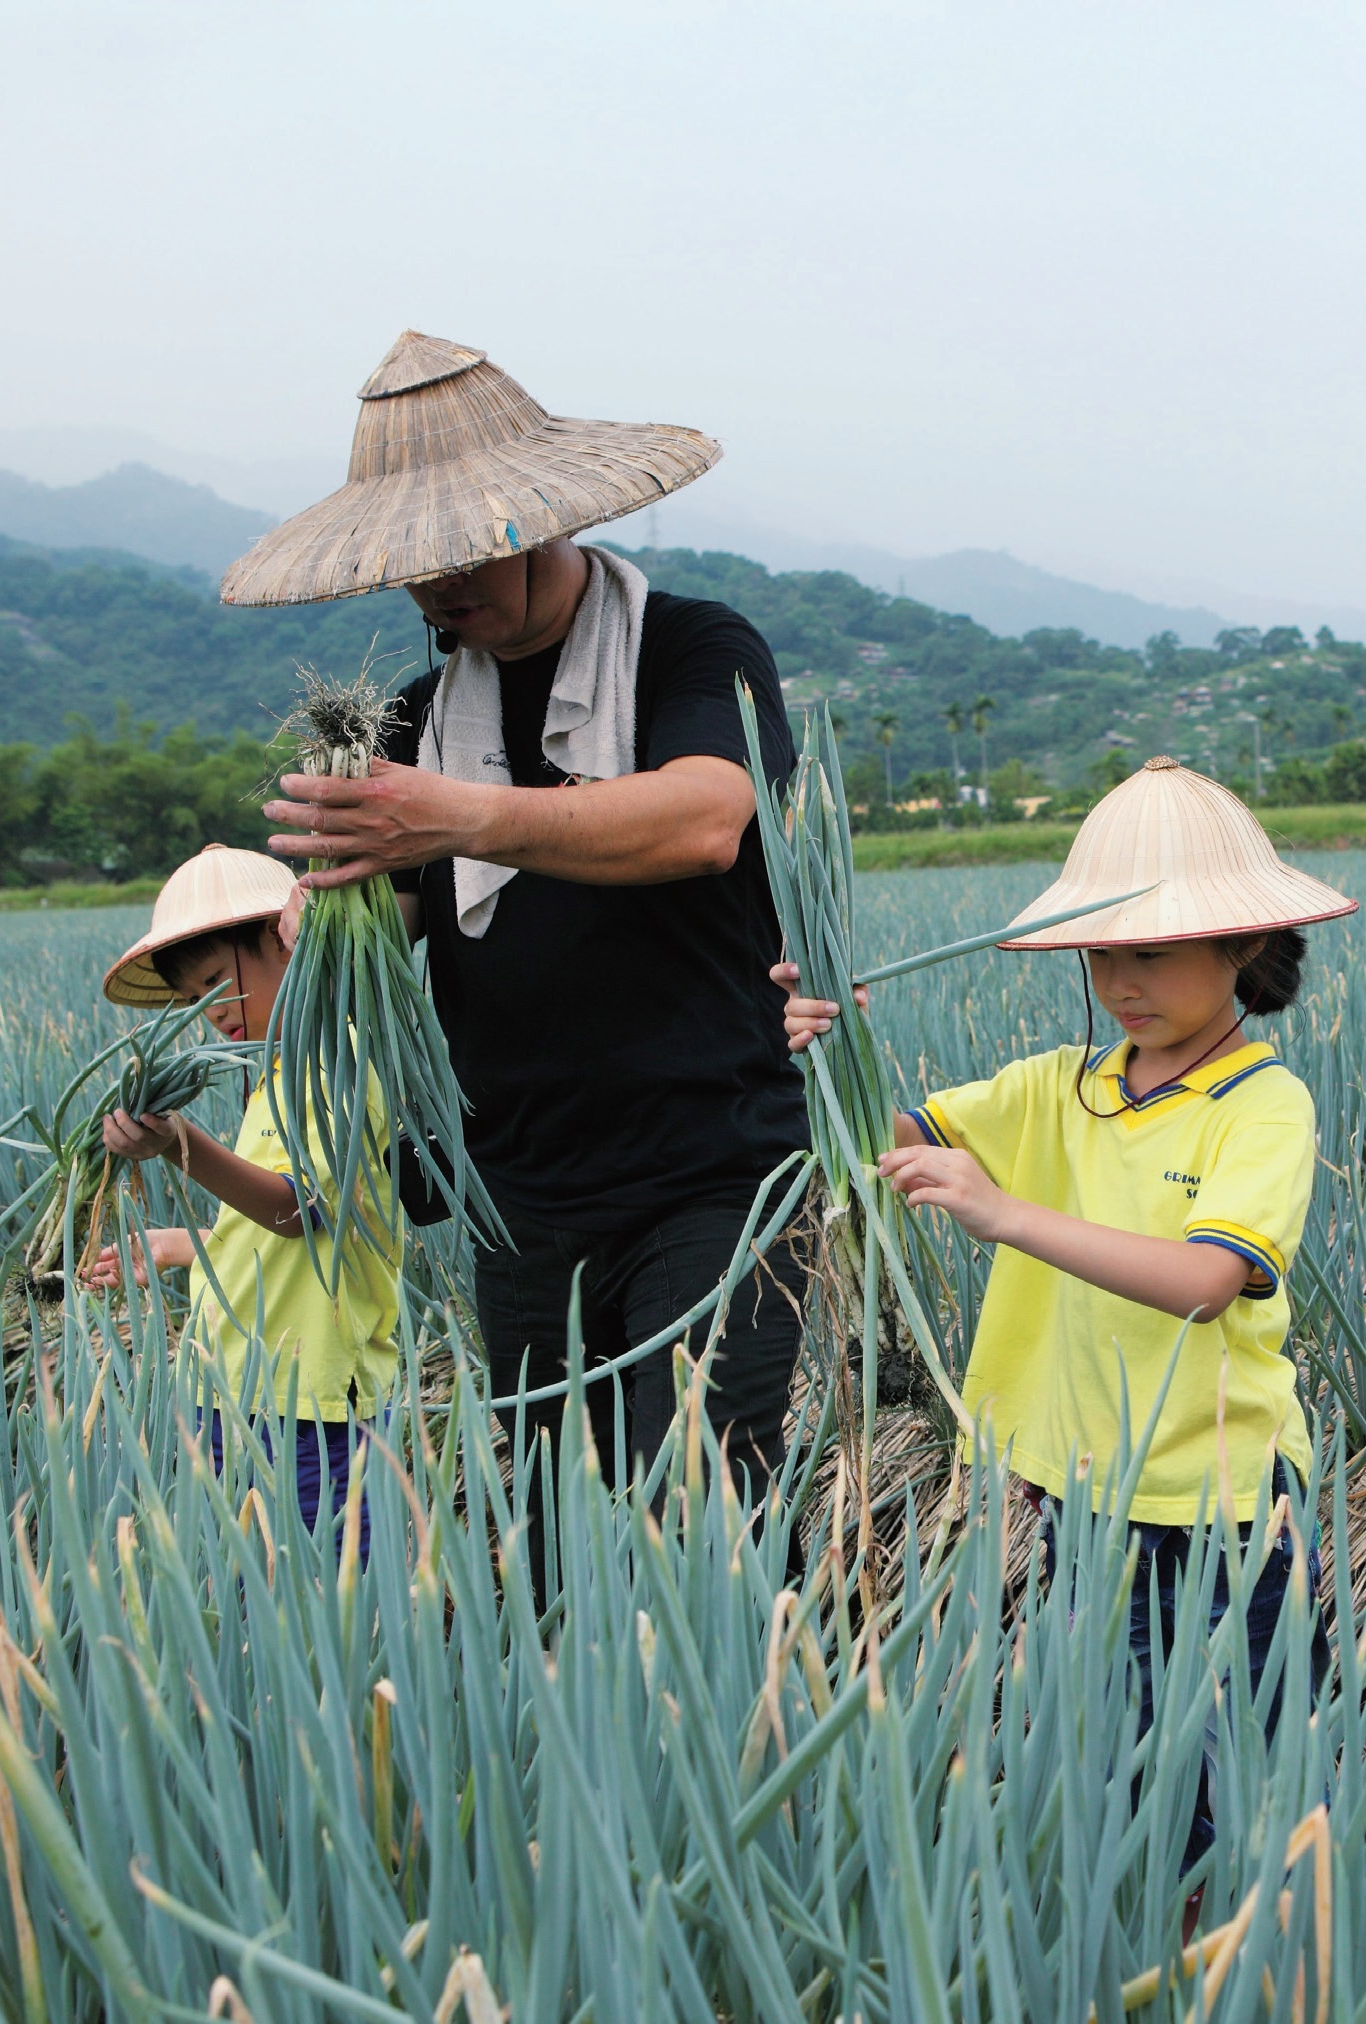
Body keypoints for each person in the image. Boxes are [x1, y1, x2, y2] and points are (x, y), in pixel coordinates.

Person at [218, 332, 808, 1589]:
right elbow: (389, 924)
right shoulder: (421, 716)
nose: (437, 594)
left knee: (706, 1519)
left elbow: (706, 818)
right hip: (522, 1195)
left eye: (461, 555)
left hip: (714, 1173)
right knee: (547, 1544)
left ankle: (768, 1763)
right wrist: (314, 928)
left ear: (537, 518)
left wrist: (461, 817)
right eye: (412, 571)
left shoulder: (694, 650)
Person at [775, 757, 1353, 1865]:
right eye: (1101, 952)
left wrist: (1006, 1215)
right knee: (1126, 1755)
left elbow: (1202, 1281)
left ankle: (1276, 1950)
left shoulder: (1262, 1104)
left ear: (1238, 944)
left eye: (1149, 949)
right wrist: (828, 1045)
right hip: (1086, 1492)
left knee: (1258, 1758)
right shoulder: (1059, 1083)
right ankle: (1160, 1940)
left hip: (1224, 1501)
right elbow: (883, 1139)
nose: (1120, 979)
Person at [81, 844, 403, 1539]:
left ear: (285, 942)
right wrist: (179, 1244)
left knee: (328, 1605)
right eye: (194, 999)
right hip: (231, 1390)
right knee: (260, 1599)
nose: (209, 1013)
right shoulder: (272, 1076)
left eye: (214, 984)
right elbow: (269, 1227)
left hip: (311, 1403)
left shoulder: (336, 1059)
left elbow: (301, 1210)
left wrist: (178, 1146)